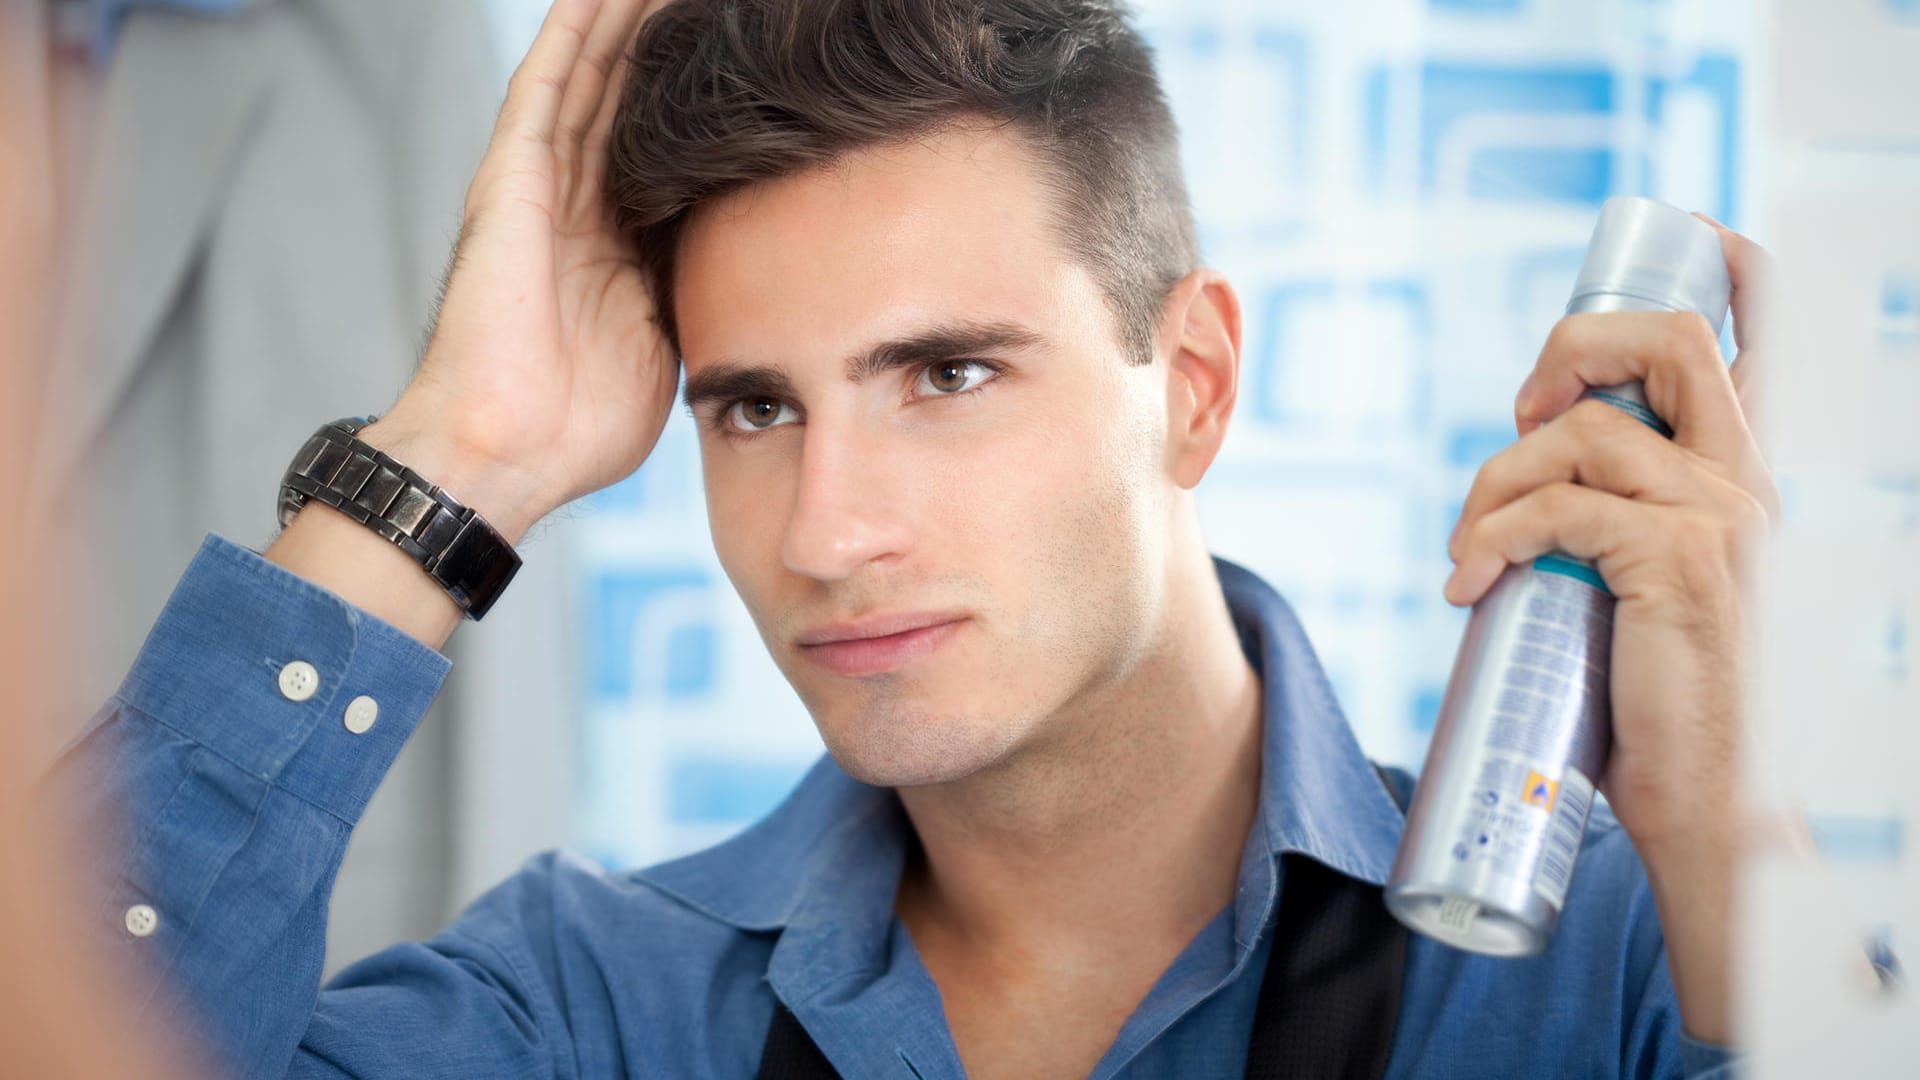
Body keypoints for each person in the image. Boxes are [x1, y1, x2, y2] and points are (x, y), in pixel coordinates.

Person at [56, 0, 1776, 1075]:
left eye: (947, 374)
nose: (828, 529)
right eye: (755, 409)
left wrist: (1712, 833)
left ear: (1189, 383)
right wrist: (453, 460)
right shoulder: (584, 1012)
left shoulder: (1633, 970)